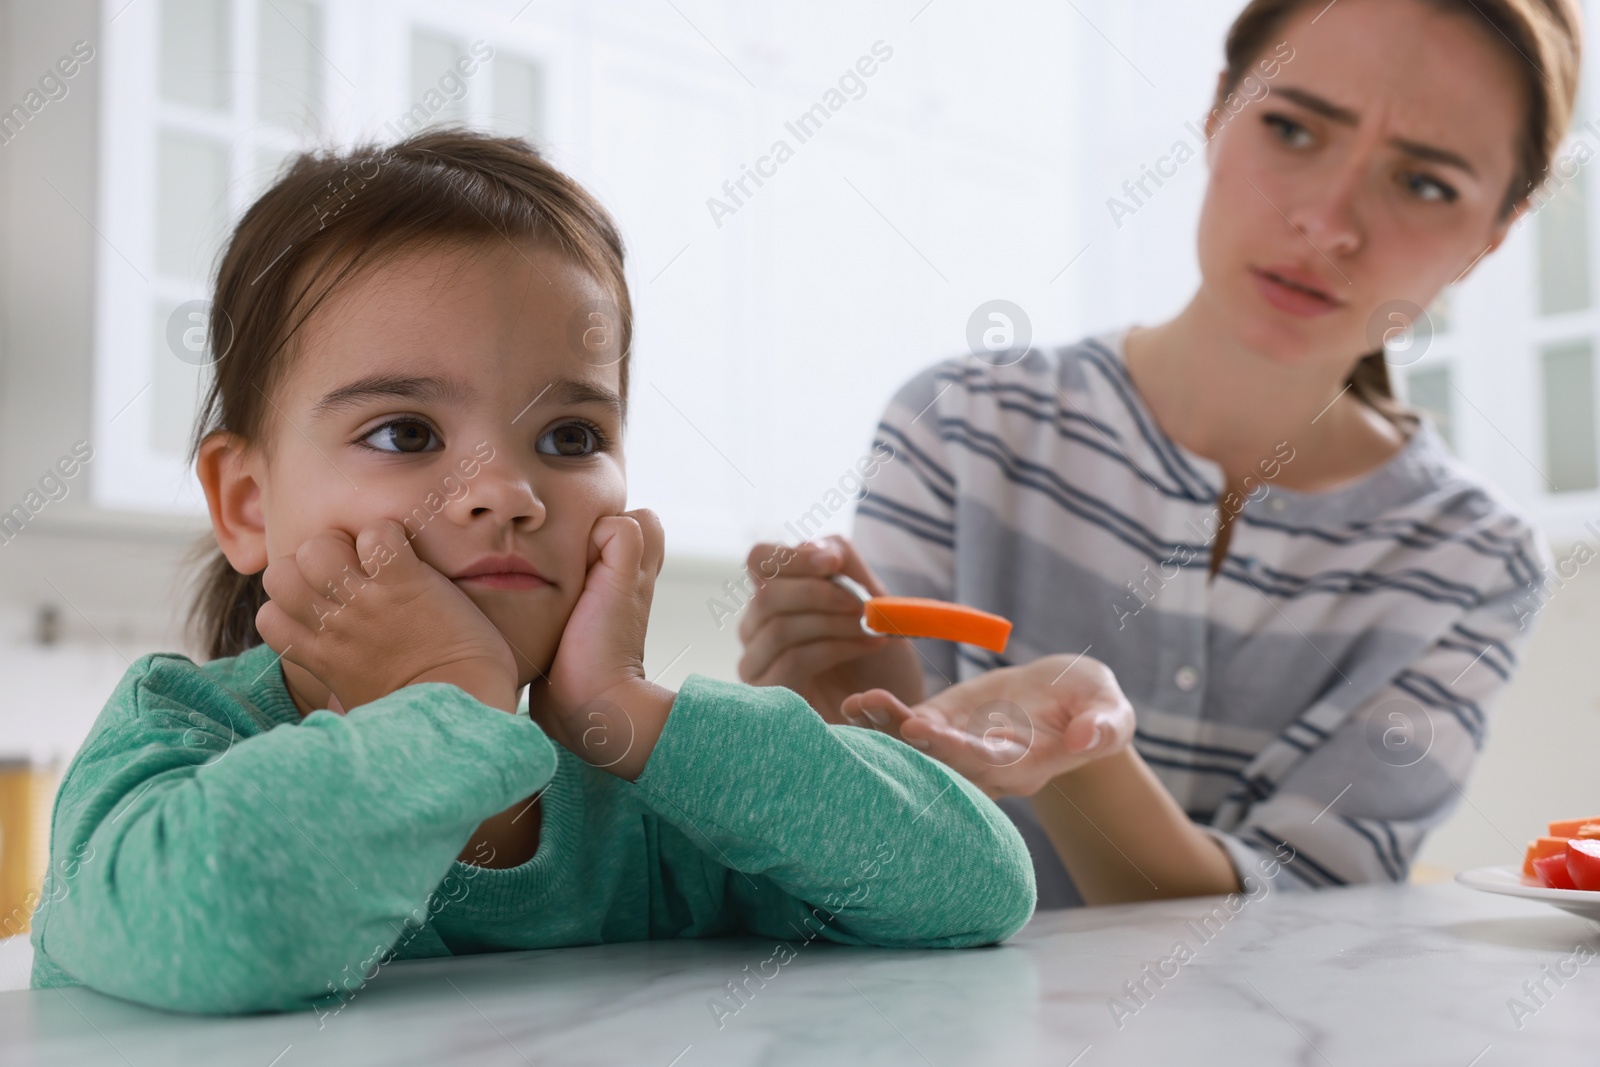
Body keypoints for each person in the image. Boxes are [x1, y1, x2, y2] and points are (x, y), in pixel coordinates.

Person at [25, 129, 1093, 1015]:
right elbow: (222, 931)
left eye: (571, 436)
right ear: (247, 503)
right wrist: (447, 698)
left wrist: (638, 717)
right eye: (405, 432)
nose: (509, 492)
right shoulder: (177, 737)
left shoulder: (648, 796)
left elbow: (975, 888)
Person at [737, 0, 1578, 906]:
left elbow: (1300, 923)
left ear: (1493, 234)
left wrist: (1076, 757)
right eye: (1292, 128)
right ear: (1219, 111)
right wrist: (861, 734)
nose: (1329, 223)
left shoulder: (1476, 561)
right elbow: (884, 879)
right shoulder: (963, 426)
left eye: (1424, 184)